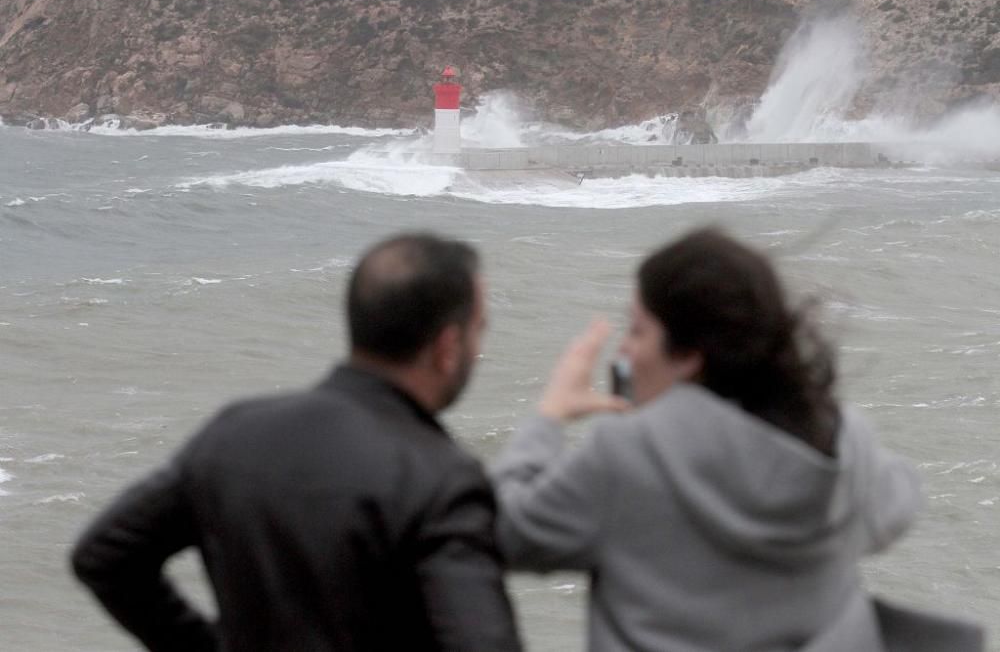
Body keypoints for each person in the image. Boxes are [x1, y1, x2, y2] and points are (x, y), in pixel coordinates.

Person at [492, 227, 981, 651]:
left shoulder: (626, 453)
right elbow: (902, 501)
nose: (625, 349)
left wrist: (549, 416)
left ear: (689, 356)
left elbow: (505, 531)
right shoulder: (845, 444)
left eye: (638, 331)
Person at [71, 232, 522, 652]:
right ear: (447, 347)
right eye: (479, 328)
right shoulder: (440, 477)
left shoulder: (235, 434)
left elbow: (106, 556)